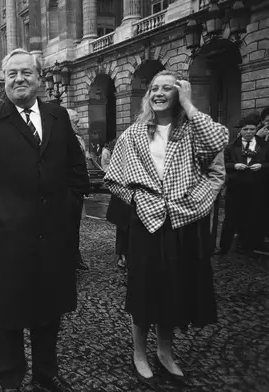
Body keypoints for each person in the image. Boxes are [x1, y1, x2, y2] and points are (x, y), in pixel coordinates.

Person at [0, 48, 89, 392]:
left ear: (39, 78)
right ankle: (11, 381)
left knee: (50, 313)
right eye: (12, 74)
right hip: (10, 238)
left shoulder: (58, 116)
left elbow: (78, 171)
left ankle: (46, 377)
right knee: (10, 315)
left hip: (53, 236)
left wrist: (68, 209)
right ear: (5, 80)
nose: (19, 79)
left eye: (26, 73)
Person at [105, 70, 227, 389]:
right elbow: (113, 178)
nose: (159, 93)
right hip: (145, 225)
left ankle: (165, 352)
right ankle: (140, 353)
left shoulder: (192, 131)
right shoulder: (133, 133)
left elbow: (219, 141)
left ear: (179, 93)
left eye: (168, 89)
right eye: (154, 88)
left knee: (172, 291)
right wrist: (138, 198)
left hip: (179, 223)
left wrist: (189, 104)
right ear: (148, 96)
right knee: (144, 291)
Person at [217, 114, 268, 256]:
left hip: (257, 188)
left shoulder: (265, 146)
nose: (249, 132)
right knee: (230, 218)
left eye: (252, 129)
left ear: (256, 128)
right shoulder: (231, 147)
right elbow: (222, 164)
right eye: (245, 129)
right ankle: (223, 247)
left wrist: (262, 166)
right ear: (240, 130)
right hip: (235, 188)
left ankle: (248, 247)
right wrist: (234, 165)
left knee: (252, 217)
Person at [66, 108, 90, 271]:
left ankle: (75, 254)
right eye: (76, 121)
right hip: (66, 191)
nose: (79, 124)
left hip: (78, 190)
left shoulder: (80, 140)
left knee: (75, 225)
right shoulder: (59, 140)